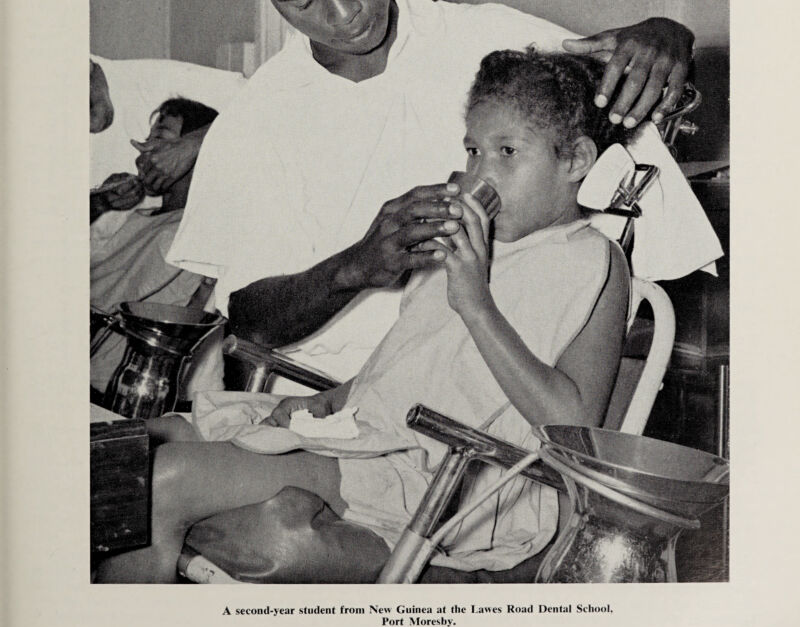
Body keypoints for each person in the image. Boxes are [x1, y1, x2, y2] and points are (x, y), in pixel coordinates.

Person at [168, 0, 711, 387]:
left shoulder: (497, 42)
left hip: (489, 403)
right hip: (320, 400)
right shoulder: (254, 123)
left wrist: (666, 40)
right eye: (303, 2)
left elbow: (633, 113)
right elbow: (250, 319)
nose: (344, 13)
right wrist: (353, 268)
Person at [96, 50, 632, 583]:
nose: (479, 174)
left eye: (506, 151)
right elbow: (410, 365)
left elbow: (572, 427)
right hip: (375, 439)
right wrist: (322, 401)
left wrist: (474, 303)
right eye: (472, 151)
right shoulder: (465, 244)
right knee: (139, 440)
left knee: (160, 480)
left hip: (454, 482)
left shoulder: (591, 261)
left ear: (576, 161)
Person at [90, 97, 219, 394]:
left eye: (159, 138)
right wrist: (100, 203)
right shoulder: (134, 215)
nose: (141, 153)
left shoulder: (190, 231)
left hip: (106, 382)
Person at [90, 55, 243, 256]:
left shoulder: (158, 79)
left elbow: (269, 103)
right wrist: (100, 203)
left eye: (159, 135)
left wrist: (193, 144)